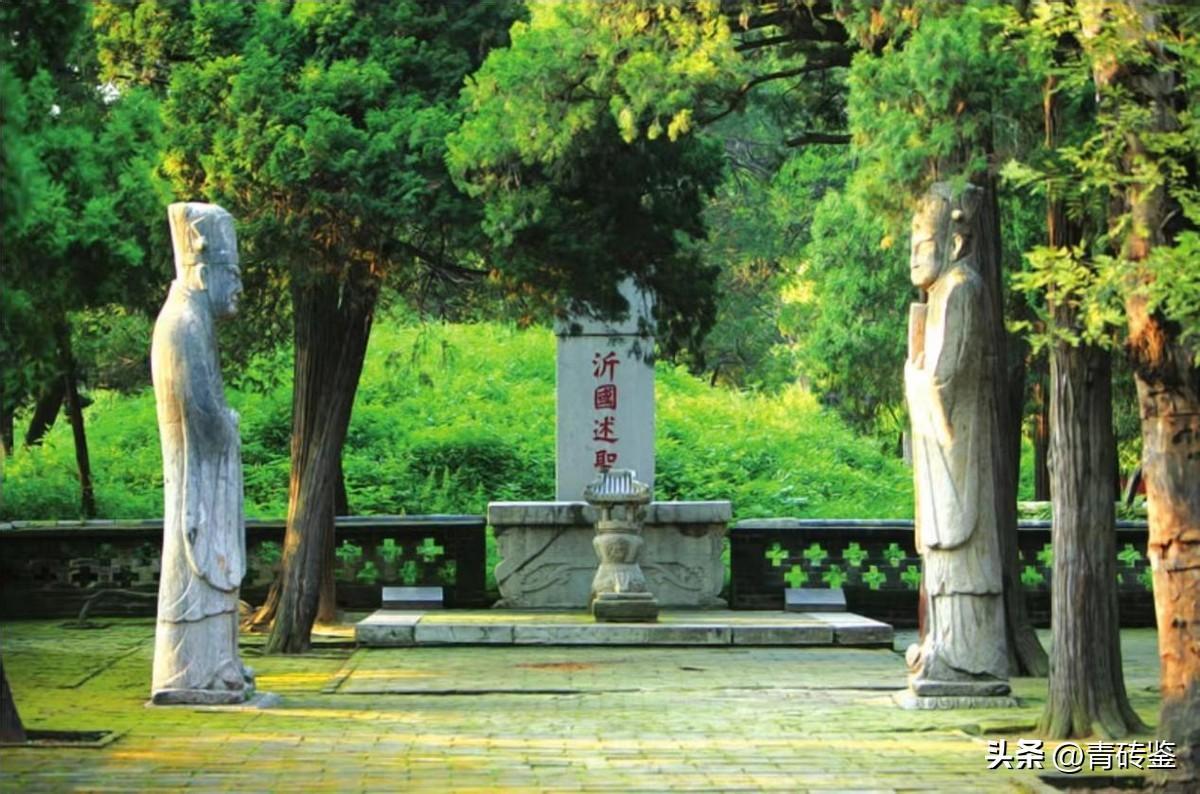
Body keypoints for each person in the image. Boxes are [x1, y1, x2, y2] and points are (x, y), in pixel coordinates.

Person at [904, 184, 1010, 696]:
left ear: (954, 243)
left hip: (959, 447)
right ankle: (945, 647)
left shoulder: (962, 289)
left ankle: (969, 657)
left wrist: (913, 372)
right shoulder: (941, 294)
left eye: (923, 243)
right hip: (944, 449)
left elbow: (945, 379)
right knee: (942, 558)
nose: (913, 255)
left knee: (960, 551)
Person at [150, 202, 253, 704]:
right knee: (197, 569)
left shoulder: (194, 320)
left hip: (207, 471)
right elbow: (204, 416)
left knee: (216, 569)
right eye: (232, 274)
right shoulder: (183, 324)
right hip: (195, 474)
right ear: (205, 272)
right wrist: (229, 423)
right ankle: (194, 669)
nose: (239, 288)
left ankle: (219, 662)